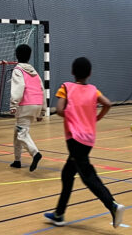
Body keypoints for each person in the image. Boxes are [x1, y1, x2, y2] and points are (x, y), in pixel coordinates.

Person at [43, 57, 125, 228]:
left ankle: (112, 205)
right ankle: (59, 214)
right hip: (88, 139)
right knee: (67, 174)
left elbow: (59, 110)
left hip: (75, 138)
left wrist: (73, 118)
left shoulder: (66, 87)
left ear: (73, 72)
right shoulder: (93, 90)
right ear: (90, 74)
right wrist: (96, 118)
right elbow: (108, 104)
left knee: (87, 176)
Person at [9, 44, 47, 171]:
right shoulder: (35, 73)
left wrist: (14, 104)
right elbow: (42, 90)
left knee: (22, 134)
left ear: (17, 55)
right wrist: (42, 111)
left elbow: (18, 88)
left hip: (25, 105)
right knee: (17, 132)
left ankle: (35, 153)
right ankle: (17, 160)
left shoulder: (18, 70)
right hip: (37, 104)